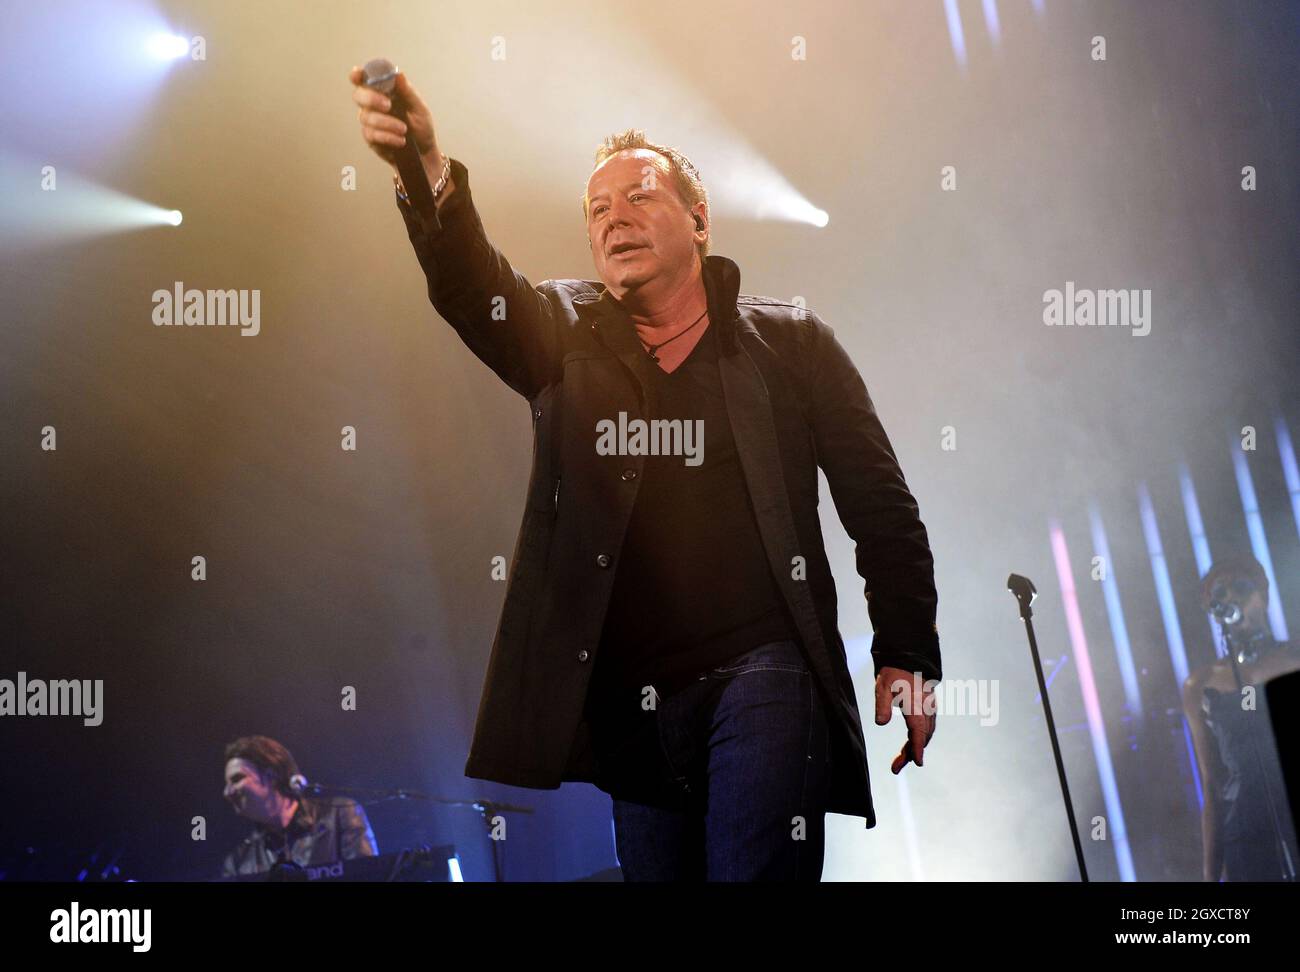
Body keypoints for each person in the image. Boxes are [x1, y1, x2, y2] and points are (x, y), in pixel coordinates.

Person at [348, 67, 941, 881]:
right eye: (597, 209)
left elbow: (881, 507)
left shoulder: (792, 345)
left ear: (699, 221)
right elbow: (470, 286)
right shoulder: (562, 333)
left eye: (638, 198)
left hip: (765, 673)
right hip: (638, 707)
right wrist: (426, 169)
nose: (613, 219)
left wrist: (906, 653)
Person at [1183, 556, 1300, 881]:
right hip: (1247, 832)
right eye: (1220, 593)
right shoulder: (1201, 683)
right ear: (1213, 611)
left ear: (1263, 594)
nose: (1231, 597)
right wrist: (1210, 878)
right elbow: (1212, 785)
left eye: (1241, 587)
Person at [220, 735, 378, 877]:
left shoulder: (340, 815)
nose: (227, 792)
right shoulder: (238, 861)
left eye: (236, 779)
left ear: (271, 775)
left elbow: (369, 876)